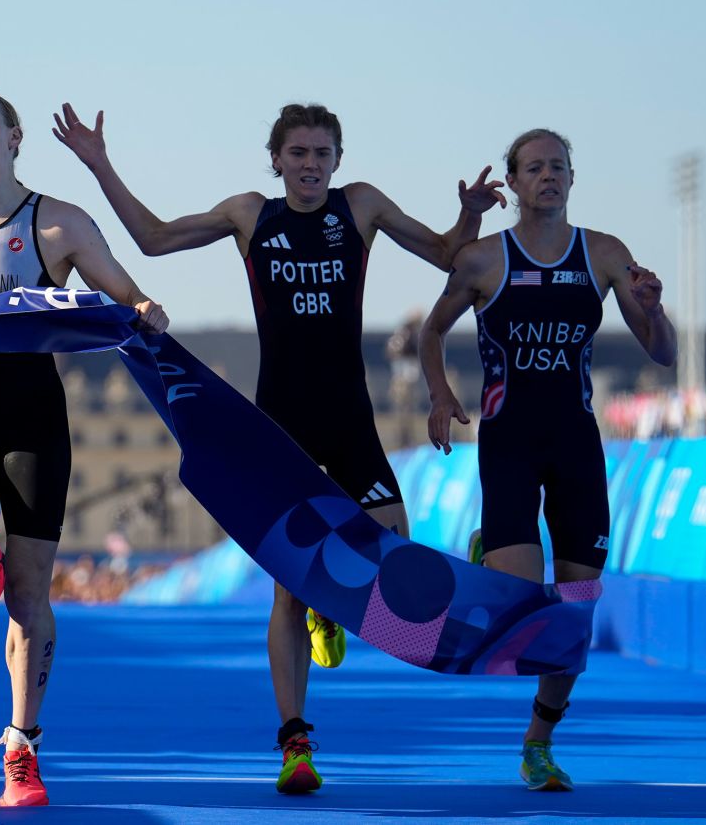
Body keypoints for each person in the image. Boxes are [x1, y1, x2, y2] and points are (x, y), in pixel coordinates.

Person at [53, 100, 502, 794]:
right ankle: (296, 742)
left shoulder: (361, 207)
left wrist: (469, 212)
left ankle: (339, 606)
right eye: (298, 154)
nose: (311, 167)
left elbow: (450, 254)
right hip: (280, 428)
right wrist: (99, 161)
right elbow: (152, 238)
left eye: (323, 154)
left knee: (395, 564)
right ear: (276, 160)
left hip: (350, 420)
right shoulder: (248, 216)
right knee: (288, 591)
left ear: (337, 162)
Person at [0, 88, 168, 808]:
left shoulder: (59, 224)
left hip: (32, 418)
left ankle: (23, 746)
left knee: (28, 594)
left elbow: (122, 293)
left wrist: (143, 309)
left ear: (14, 137)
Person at [418, 128, 676, 792]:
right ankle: (490, 548)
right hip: (509, 440)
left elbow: (663, 352)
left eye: (559, 166)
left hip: (575, 443)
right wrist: (442, 393)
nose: (549, 175)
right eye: (535, 167)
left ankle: (539, 739)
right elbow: (431, 330)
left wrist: (653, 311)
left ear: (571, 178)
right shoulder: (482, 260)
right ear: (515, 184)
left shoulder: (604, 253)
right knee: (521, 604)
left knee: (577, 610)